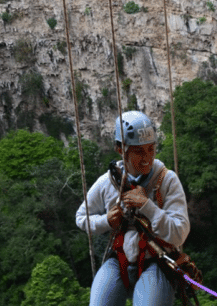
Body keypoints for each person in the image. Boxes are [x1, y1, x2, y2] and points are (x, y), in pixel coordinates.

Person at [76, 110, 190, 306]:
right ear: (121, 149)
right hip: (119, 258)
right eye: (139, 151)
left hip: (156, 260)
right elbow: (81, 217)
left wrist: (147, 206)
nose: (147, 157)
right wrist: (106, 221)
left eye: (151, 149)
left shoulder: (166, 180)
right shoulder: (108, 182)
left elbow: (179, 233)